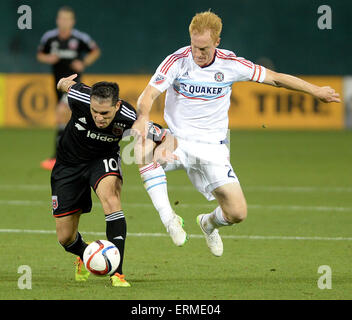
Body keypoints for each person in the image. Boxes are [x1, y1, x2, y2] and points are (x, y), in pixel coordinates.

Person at [132, 11, 341, 257]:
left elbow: (275, 79)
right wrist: (143, 117)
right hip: (177, 140)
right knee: (140, 143)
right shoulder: (177, 61)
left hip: (213, 148)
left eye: (204, 49)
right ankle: (169, 219)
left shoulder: (231, 65)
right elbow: (147, 95)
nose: (198, 54)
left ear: (217, 42)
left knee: (237, 213)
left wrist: (315, 91)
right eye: (194, 47)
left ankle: (208, 224)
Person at [52, 74, 178, 287]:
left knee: (111, 200)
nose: (99, 118)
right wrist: (62, 81)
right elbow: (64, 84)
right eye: (94, 112)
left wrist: (161, 151)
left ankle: (117, 273)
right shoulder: (80, 97)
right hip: (68, 165)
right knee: (65, 238)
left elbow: (166, 136)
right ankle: (87, 253)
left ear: (117, 105)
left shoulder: (130, 117)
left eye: (105, 113)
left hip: (103, 159)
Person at [37, 6, 101, 170]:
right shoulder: (49, 38)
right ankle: (76, 154)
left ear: (72, 22)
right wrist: (48, 58)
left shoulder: (80, 38)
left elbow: (95, 51)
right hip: (57, 84)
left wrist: (83, 62)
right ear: (57, 20)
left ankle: (56, 157)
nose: (63, 22)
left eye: (67, 19)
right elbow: (40, 54)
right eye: (61, 18)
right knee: (68, 119)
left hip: (73, 84)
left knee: (61, 113)